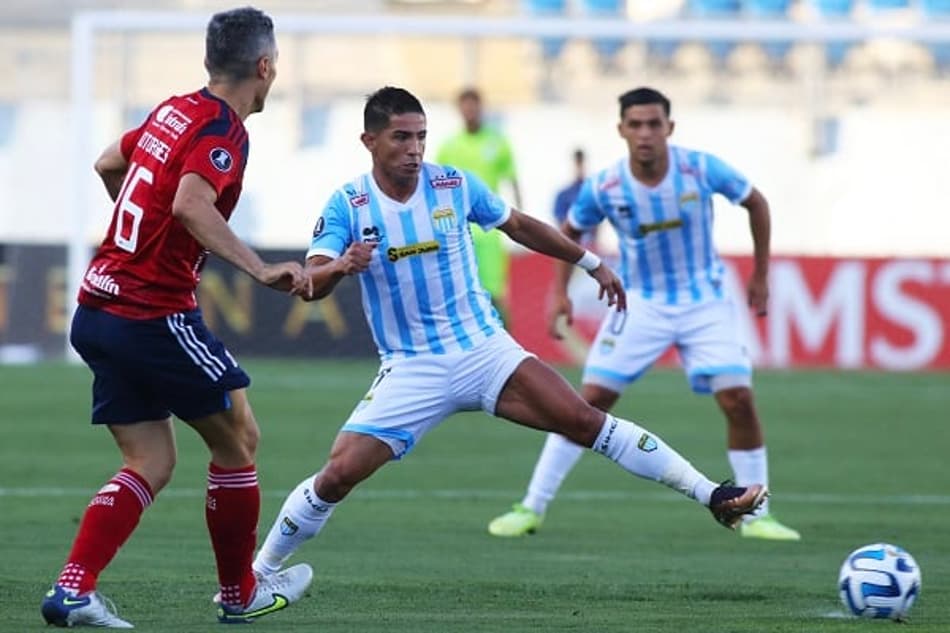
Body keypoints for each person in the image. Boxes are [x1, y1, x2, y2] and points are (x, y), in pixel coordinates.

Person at [248, 86, 768, 583]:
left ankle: (713, 496)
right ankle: (260, 573)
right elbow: (310, 284)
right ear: (370, 142)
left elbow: (519, 225)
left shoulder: (453, 184)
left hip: (484, 350)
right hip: (413, 366)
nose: (414, 150)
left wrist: (589, 262)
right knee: (339, 474)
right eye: (401, 138)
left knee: (586, 421)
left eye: (421, 137)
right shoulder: (348, 205)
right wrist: (341, 265)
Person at [40, 8, 314, 628]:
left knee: (151, 462)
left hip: (97, 308)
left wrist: (154, 236)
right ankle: (240, 594)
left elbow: (111, 162)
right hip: (148, 312)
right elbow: (192, 202)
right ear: (265, 67)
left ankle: (73, 590)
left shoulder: (173, 110)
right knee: (239, 440)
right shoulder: (224, 130)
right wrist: (258, 267)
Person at [487, 87, 801, 542]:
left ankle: (760, 515)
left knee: (738, 399)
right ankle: (530, 506)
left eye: (654, 124)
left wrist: (761, 275)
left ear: (669, 128)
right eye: (635, 124)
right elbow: (571, 229)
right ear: (621, 130)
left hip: (704, 300)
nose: (645, 133)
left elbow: (757, 202)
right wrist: (559, 292)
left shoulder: (699, 168)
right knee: (586, 403)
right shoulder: (607, 185)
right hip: (640, 303)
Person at [436, 87, 522, 319]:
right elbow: (435, 188)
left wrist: (520, 222)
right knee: (459, 291)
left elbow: (512, 179)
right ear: (459, 110)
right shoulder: (449, 146)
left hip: (490, 228)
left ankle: (506, 346)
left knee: (496, 293)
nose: (470, 111)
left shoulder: (497, 142)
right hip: (457, 228)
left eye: (474, 105)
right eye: (465, 106)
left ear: (481, 108)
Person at [552, 148, 596, 248]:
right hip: (570, 246)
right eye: (578, 162)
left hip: (590, 247)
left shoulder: (593, 192)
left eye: (581, 162)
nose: (580, 166)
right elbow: (560, 222)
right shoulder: (563, 195)